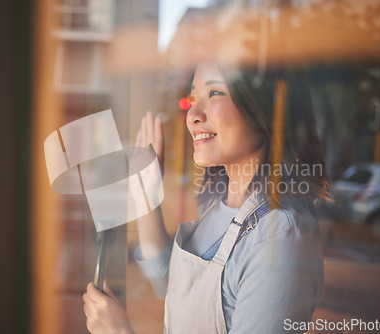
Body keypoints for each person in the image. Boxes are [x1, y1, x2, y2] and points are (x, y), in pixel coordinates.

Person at [82, 61, 329, 333]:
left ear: (264, 109)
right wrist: (146, 193)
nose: (192, 115)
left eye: (215, 93)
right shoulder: (220, 205)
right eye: (193, 98)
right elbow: (172, 284)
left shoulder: (280, 239)